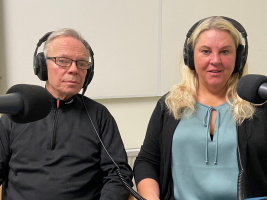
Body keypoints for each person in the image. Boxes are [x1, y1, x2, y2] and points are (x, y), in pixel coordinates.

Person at [133, 16, 267, 200]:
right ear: (190, 56)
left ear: (239, 58)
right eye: (205, 51)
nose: (215, 60)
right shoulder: (170, 105)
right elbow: (147, 161)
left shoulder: (259, 106)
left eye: (225, 52)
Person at [0, 28, 133, 200]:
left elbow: (118, 175)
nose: (73, 70)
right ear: (42, 65)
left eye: (82, 63)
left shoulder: (99, 116)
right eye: (63, 61)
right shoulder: (18, 112)